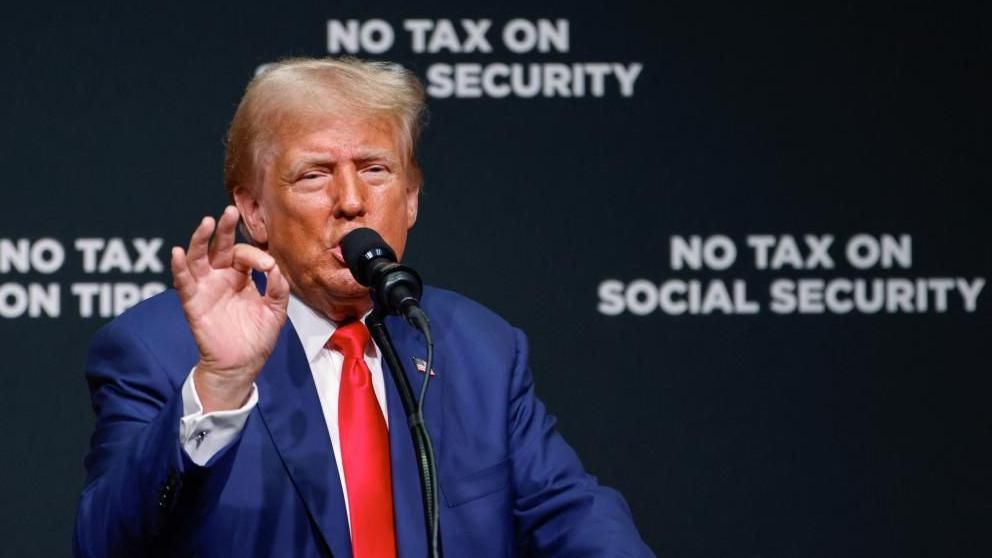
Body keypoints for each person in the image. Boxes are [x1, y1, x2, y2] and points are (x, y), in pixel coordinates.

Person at [74, 57, 653, 557]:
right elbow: (105, 545)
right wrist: (221, 386)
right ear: (254, 211)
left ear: (411, 200)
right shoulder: (162, 349)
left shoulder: (477, 346)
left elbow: (570, 512)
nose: (351, 201)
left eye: (375, 170)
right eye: (315, 174)